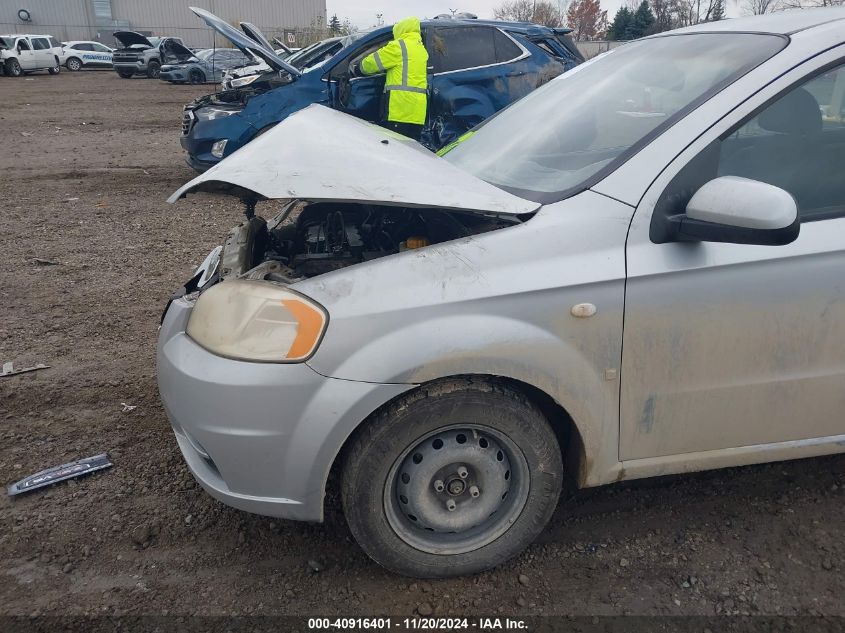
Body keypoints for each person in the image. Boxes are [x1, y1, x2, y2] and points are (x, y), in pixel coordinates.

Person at [359, 17, 429, 141]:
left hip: (399, 110)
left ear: (401, 29)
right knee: (411, 150)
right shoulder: (421, 49)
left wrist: (360, 67)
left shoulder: (399, 46)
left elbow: (371, 64)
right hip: (418, 112)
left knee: (394, 150)